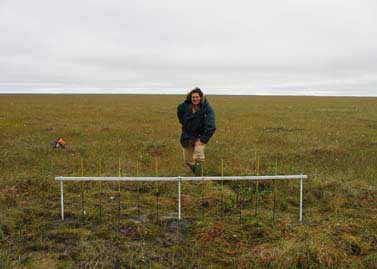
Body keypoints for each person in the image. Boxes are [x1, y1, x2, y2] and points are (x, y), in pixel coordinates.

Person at [177, 87, 216, 175]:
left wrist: (202, 140)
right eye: (193, 97)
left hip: (200, 136)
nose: (195, 99)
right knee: (187, 160)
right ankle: (196, 174)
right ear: (190, 98)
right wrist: (185, 125)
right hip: (187, 136)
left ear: (201, 97)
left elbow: (211, 126)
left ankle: (199, 179)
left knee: (198, 157)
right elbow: (180, 114)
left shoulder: (207, 109)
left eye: (197, 97)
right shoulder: (185, 106)